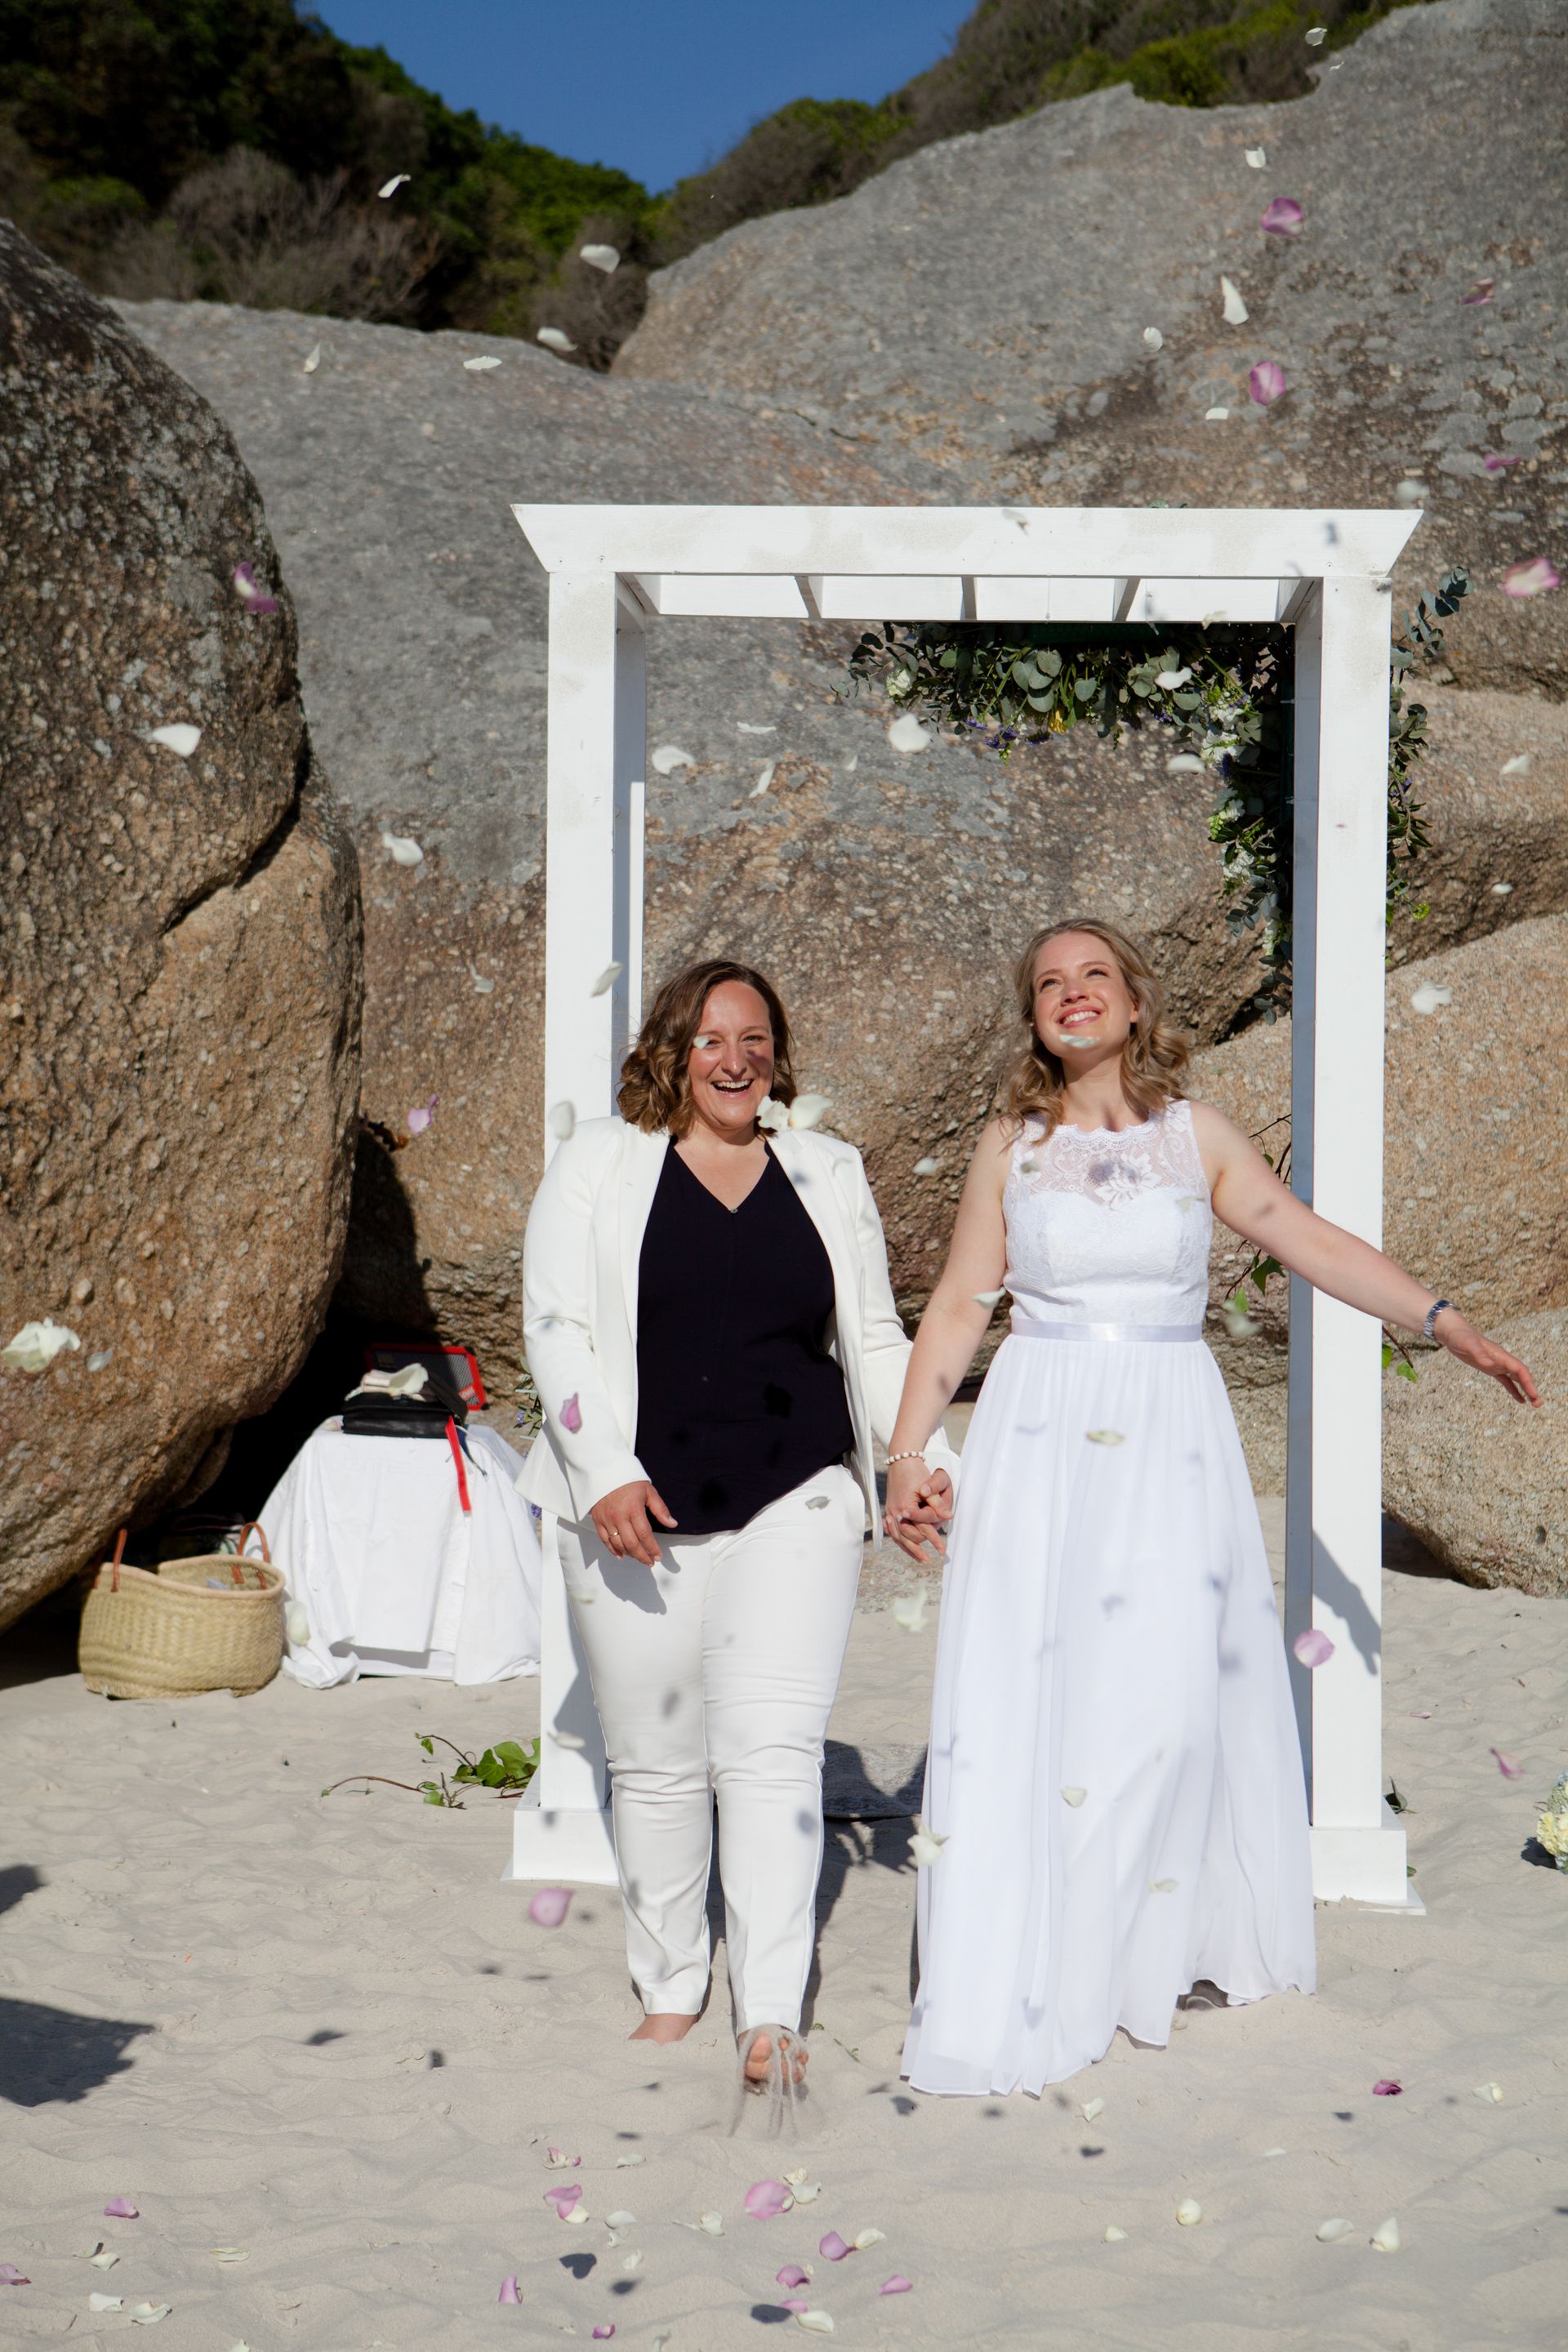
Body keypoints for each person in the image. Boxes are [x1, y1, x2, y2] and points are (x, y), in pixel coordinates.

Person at [884, 917, 1539, 2098]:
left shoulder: (1199, 1139)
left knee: (1174, 1704)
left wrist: (1440, 1319)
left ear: (1136, 1004)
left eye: (1095, 977)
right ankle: (1059, 1945)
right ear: (1033, 1016)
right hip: (1039, 1437)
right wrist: (905, 1450)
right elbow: (957, 1306)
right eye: (1049, 983)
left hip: (1168, 1437)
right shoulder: (1010, 1148)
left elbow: (1310, 1242)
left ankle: (1156, 1940)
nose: (1073, 994)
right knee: (1048, 1695)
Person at [519, 957, 959, 2095]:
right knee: (659, 1764)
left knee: (768, 1756)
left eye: (756, 1038)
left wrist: (916, 1463)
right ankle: (671, 1987)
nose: (737, 1057)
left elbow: (872, 1335)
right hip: (634, 1510)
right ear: (673, 1050)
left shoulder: (825, 1169)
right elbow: (557, 1325)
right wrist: (603, 1471)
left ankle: (768, 2010)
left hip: (796, 1495)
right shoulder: (598, 1166)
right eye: (713, 1037)